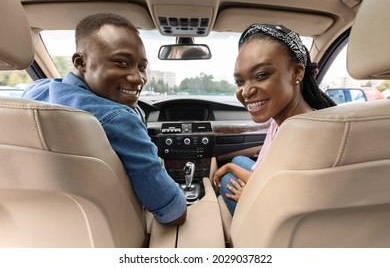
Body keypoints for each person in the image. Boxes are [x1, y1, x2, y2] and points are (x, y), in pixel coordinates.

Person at [22, 12, 187, 225]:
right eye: (121, 62)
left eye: (142, 66)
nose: (138, 78)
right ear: (81, 62)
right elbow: (173, 214)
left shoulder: (35, 92)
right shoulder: (119, 119)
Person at [213, 23, 336, 215]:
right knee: (236, 160)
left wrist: (251, 194)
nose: (246, 91)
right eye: (240, 81)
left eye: (261, 75)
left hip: (273, 217)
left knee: (228, 180)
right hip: (276, 191)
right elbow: (269, 176)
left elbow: (288, 207)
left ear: (297, 73)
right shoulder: (285, 120)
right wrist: (230, 165)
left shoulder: (301, 138)